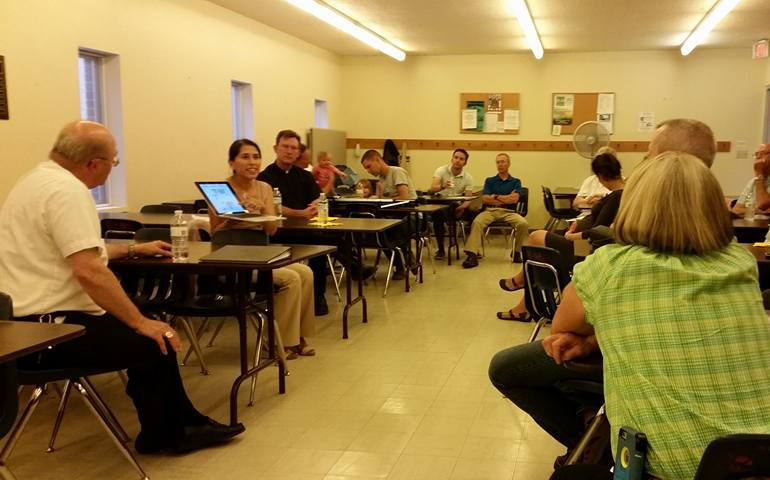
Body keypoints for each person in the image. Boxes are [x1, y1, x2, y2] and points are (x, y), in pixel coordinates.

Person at [488, 118, 721, 471]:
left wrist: (591, 328)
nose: (643, 163)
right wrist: (596, 338)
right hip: (743, 450)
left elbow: (561, 328)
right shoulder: (738, 261)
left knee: (529, 363)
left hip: (666, 457)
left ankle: (592, 448)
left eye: (648, 155)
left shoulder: (615, 262)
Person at [0, 120, 244, 454]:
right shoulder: (68, 191)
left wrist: (132, 248)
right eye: (114, 162)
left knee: (150, 326)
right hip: (51, 331)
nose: (112, 170)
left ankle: (185, 422)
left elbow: (76, 249)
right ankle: (167, 436)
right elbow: (89, 271)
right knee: (155, 339)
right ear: (93, 164)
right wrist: (141, 323)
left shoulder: (33, 181)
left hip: (19, 325)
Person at [546, 152, 770, 480]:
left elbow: (561, 328)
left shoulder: (607, 266)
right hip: (759, 458)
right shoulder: (741, 262)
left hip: (675, 469)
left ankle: (584, 436)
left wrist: (591, 336)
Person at [209, 139, 316, 357]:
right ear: (232, 162)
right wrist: (235, 217)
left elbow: (271, 230)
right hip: (233, 259)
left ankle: (298, 337)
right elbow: (214, 235)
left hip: (261, 252)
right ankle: (280, 342)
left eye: (256, 157)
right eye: (245, 157)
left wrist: (262, 213)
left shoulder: (265, 188)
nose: (252, 162)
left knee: (306, 272)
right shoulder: (220, 190)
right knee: (291, 278)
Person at [496, 151, 624, 321]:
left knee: (535, 237)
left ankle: (521, 283)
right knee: (540, 255)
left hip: (583, 249)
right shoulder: (620, 192)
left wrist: (573, 236)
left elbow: (598, 230)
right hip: (582, 242)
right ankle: (524, 305)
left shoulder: (617, 196)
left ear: (601, 175)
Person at [257, 130, 330, 315]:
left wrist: (314, 206)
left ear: (298, 152)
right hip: (277, 233)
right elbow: (272, 208)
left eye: (294, 148)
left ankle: (318, 296)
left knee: (321, 248)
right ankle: (266, 294)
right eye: (285, 147)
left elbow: (317, 198)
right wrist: (300, 213)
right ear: (276, 148)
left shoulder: (305, 176)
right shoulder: (265, 177)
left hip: (305, 232)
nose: (289, 151)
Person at [462, 153, 529, 268]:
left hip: (509, 212)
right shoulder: (490, 180)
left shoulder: (516, 181)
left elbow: (514, 199)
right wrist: (505, 198)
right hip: (490, 211)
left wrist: (495, 196)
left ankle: (517, 252)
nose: (500, 165)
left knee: (523, 223)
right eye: (498, 162)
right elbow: (485, 199)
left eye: (503, 162)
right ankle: (472, 255)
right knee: (477, 222)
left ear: (508, 164)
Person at [360, 149, 417, 279]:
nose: (368, 171)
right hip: (393, 216)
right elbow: (385, 200)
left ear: (377, 160)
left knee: (388, 229)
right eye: (366, 169)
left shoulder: (397, 172)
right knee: (380, 231)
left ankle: (406, 257)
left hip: (411, 215)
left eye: (369, 167)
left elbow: (404, 197)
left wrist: (383, 198)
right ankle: (400, 265)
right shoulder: (381, 179)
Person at [427, 148, 475, 259]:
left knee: (474, 213)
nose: (458, 160)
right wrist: (443, 186)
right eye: (456, 157)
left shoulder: (468, 177)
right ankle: (441, 250)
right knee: (437, 214)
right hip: (440, 202)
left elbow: (468, 198)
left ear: (465, 163)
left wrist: (462, 208)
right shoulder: (441, 170)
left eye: (461, 159)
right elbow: (432, 189)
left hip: (456, 204)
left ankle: (472, 250)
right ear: (452, 159)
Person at [730, 143, 770, 217]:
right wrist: (759, 211)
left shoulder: (758, 177)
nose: (758, 157)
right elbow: (736, 210)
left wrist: (759, 173)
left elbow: (762, 203)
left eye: (762, 154)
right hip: (751, 226)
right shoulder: (753, 181)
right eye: (756, 154)